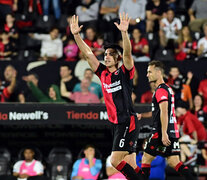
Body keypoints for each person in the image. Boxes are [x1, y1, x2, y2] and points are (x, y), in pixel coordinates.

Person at [70, 13, 143, 179]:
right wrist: (76, 36)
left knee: (116, 161)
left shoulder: (124, 72)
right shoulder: (102, 73)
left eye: (110, 54)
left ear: (117, 58)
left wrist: (124, 33)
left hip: (127, 120)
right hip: (116, 123)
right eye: (105, 54)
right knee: (131, 165)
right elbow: (88, 54)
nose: (106, 56)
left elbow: (127, 55)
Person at [140, 60, 194, 180]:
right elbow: (159, 112)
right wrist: (142, 116)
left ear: (158, 72)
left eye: (149, 72)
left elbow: (164, 112)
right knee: (174, 161)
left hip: (161, 133)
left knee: (145, 159)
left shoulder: (161, 90)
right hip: (173, 132)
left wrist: (163, 133)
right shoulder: (168, 89)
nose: (147, 75)